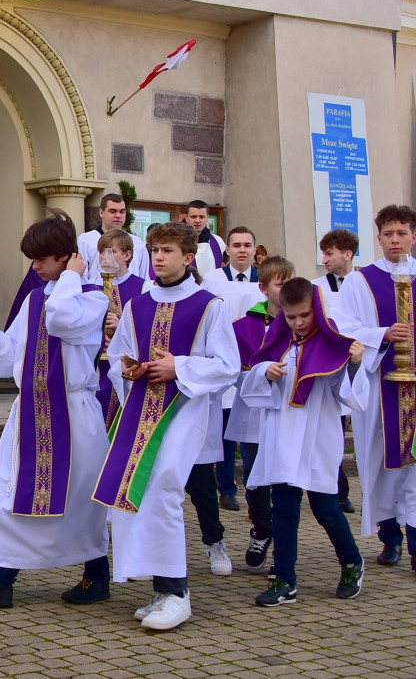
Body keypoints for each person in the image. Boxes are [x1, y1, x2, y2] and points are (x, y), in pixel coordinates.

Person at [0, 209, 112, 608]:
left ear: (65, 256)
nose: (35, 268)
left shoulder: (91, 298)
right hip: (32, 412)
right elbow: (17, 352)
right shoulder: (38, 297)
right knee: (14, 495)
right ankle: (1, 579)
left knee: (79, 500)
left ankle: (96, 576)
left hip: (72, 414)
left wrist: (72, 276)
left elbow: (62, 322)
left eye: (42, 259)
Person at [97, 221, 238, 631]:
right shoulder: (139, 305)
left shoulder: (209, 305)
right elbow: (117, 354)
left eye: (167, 251)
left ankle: (178, 592)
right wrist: (132, 368)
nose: (158, 257)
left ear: (189, 258)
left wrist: (180, 365)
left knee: (164, 488)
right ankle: (161, 587)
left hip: (185, 410)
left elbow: (228, 365)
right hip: (139, 408)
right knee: (135, 492)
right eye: (154, 249)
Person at [242, 278, 368, 606]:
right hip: (283, 435)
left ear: (318, 310)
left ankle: (352, 561)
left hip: (316, 436)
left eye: (304, 316)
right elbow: (254, 374)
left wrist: (354, 364)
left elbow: (349, 394)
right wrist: (266, 371)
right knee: (283, 507)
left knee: (326, 508)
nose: (297, 323)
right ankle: (285, 580)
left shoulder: (333, 344)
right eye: (291, 316)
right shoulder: (280, 341)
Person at [336, 204, 416, 573]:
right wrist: (381, 334)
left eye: (401, 232)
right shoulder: (360, 280)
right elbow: (344, 325)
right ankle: (391, 538)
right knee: (380, 463)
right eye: (388, 234)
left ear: (413, 235)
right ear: (379, 237)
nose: (395, 240)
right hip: (379, 385)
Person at [225, 256, 294, 574]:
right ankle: (261, 530)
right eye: (280, 283)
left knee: (283, 477)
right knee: (255, 477)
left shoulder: (302, 324)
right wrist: (259, 374)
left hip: (289, 414)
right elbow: (232, 371)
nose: (286, 289)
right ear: (264, 288)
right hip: (254, 414)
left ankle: (282, 541)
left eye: (290, 282)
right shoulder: (243, 327)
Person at [202, 226, 263, 512]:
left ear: (254, 249)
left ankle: (256, 490)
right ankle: (226, 488)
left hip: (256, 364)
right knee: (225, 431)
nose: (242, 249)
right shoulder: (213, 280)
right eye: (236, 244)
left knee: (253, 435)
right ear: (226, 249)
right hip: (225, 360)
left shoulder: (265, 280)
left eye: (247, 245)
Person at [312, 229, 362, 514]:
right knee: (330, 431)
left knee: (345, 433)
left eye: (330, 253)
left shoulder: (362, 283)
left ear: (348, 254)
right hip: (327, 365)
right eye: (324, 253)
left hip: (357, 362)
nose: (325, 259)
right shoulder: (316, 286)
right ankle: (336, 492)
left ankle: (345, 491)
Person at [95, 229, 152, 429]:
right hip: (96, 368)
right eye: (101, 252)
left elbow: (149, 329)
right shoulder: (91, 289)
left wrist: (122, 327)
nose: (104, 257)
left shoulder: (145, 288)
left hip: (127, 367)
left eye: (111, 252)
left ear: (127, 255)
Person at [78, 193, 150, 284]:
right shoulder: (86, 240)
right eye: (113, 211)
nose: (118, 215)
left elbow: (144, 277)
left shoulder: (137, 243)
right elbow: (82, 277)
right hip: (97, 293)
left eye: (122, 212)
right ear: (101, 212)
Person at [184, 200, 226, 274]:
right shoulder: (177, 241)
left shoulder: (218, 241)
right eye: (193, 217)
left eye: (201, 217)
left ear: (207, 218)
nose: (197, 220)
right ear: (186, 218)